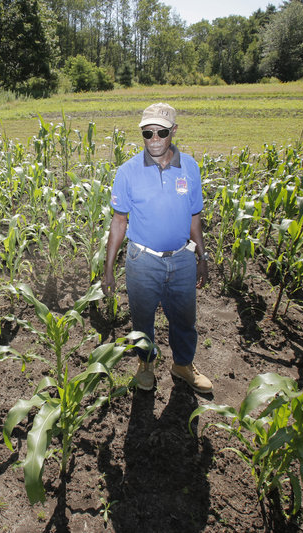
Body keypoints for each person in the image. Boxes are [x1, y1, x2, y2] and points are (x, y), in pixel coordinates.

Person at [101, 102, 212, 393]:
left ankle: (183, 364)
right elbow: (118, 221)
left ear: (173, 131)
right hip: (142, 261)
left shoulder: (190, 167)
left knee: (185, 319)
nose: (154, 140)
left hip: (182, 260)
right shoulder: (127, 172)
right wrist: (108, 269)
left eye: (161, 132)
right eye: (147, 134)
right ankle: (146, 363)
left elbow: (194, 217)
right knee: (142, 318)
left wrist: (202, 256)